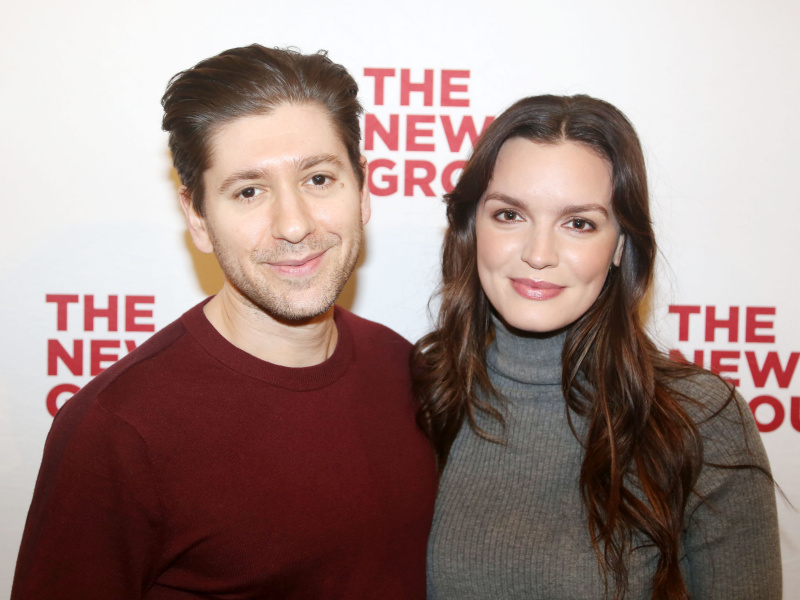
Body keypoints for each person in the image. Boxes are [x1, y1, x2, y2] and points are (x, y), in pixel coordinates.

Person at [12, 44, 436, 600]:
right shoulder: (118, 428)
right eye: (249, 191)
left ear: (362, 190)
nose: (293, 224)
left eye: (318, 180)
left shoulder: (403, 367)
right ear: (199, 218)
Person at [414, 94, 781, 599]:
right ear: (471, 227)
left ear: (621, 246)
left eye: (579, 223)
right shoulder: (418, 393)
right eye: (509, 215)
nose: (538, 254)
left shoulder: (698, 421)